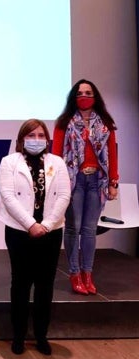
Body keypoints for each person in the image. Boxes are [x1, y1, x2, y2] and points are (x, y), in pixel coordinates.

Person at [0, 119, 71, 356]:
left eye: (41, 135)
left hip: (50, 232)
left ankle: (41, 336)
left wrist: (47, 225)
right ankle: (18, 336)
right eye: (31, 135)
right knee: (20, 283)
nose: (36, 139)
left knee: (45, 285)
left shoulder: (57, 162)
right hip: (19, 232)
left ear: (47, 139)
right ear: (21, 139)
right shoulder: (8, 162)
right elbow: (8, 197)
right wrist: (30, 224)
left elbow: (63, 196)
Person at [51, 79, 119, 295]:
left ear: (95, 96)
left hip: (97, 180)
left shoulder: (105, 124)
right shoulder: (64, 123)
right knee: (73, 227)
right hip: (74, 181)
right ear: (73, 97)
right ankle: (74, 272)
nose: (84, 96)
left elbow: (112, 154)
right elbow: (55, 155)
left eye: (88, 92)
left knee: (90, 230)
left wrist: (113, 182)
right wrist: (57, 185)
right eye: (80, 93)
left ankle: (87, 274)